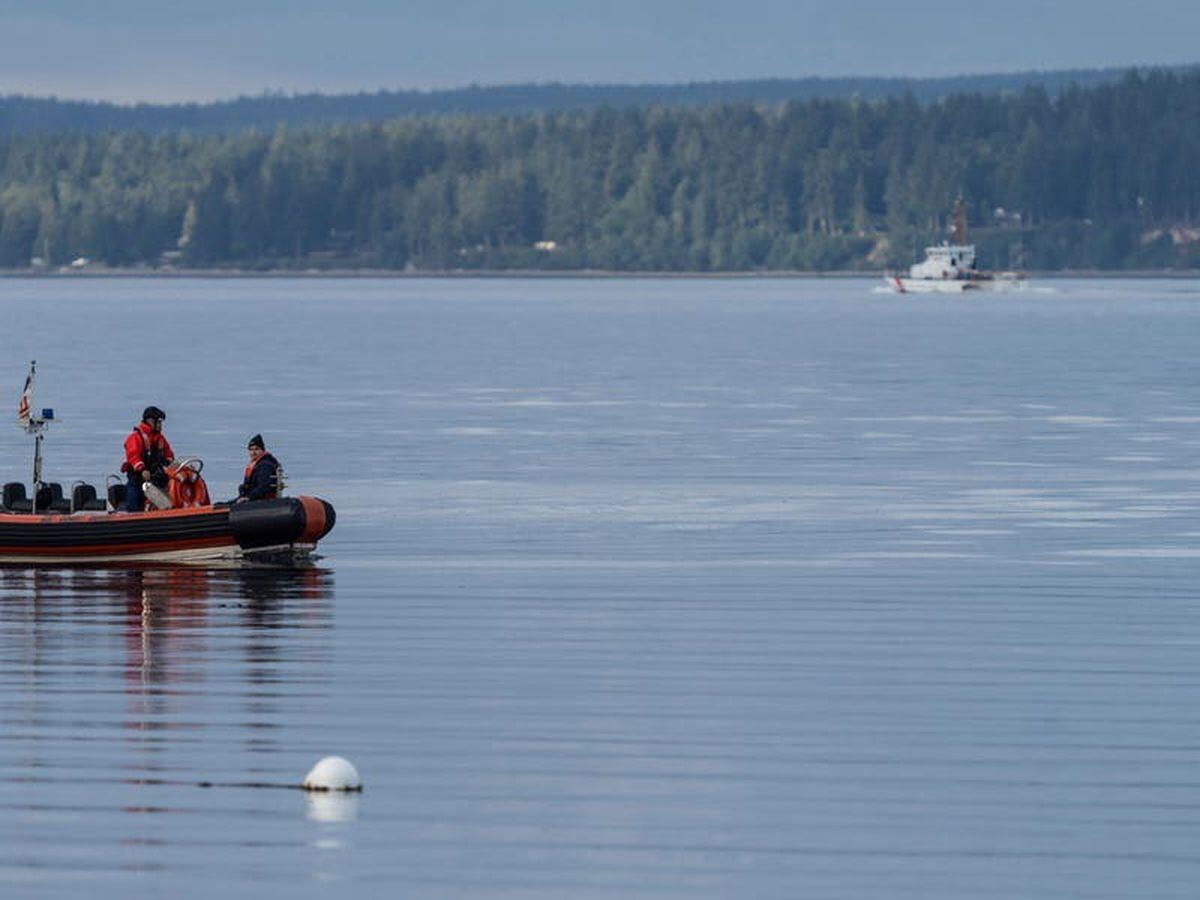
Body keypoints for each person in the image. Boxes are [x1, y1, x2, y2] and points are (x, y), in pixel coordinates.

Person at [122, 406, 174, 512]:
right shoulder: (135, 437)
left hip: (156, 478)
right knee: (135, 494)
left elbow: (169, 455)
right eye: (159, 422)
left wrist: (170, 464)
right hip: (139, 478)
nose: (161, 425)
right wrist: (142, 469)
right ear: (150, 421)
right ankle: (132, 515)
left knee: (168, 493)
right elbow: (133, 456)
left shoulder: (160, 439)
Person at [236, 434, 280, 503]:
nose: (253, 453)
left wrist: (249, 497)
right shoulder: (256, 465)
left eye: (256, 449)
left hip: (261, 502)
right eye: (251, 450)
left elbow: (263, 487)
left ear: (262, 450)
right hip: (253, 499)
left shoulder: (265, 465)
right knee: (221, 505)